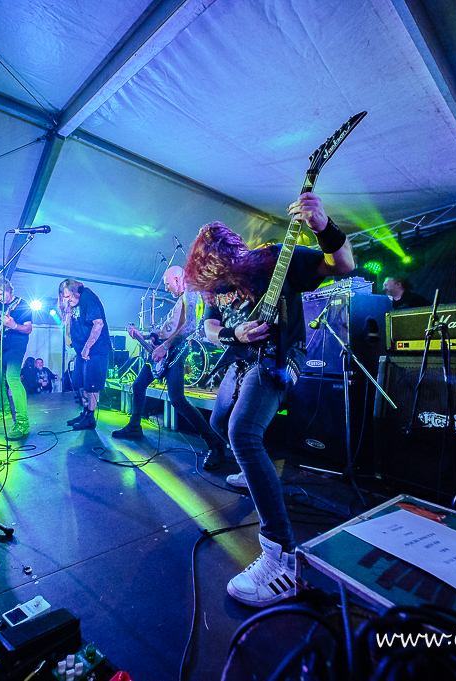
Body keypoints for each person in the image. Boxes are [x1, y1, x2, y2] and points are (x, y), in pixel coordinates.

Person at [184, 192, 355, 607]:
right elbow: (209, 327)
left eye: (217, 264)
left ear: (230, 252)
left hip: (278, 357)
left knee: (243, 432)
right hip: (240, 359)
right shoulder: (213, 287)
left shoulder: (272, 260)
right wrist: (234, 333)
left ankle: (281, 557)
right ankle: (254, 473)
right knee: (221, 422)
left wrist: (324, 227)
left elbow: (343, 265)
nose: (214, 277)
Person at [112, 266, 226, 467]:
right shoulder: (180, 300)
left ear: (178, 279)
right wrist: (146, 336)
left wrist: (164, 346)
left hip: (174, 353)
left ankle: (214, 443)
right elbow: (168, 330)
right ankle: (134, 426)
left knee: (178, 400)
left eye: (167, 284)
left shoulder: (190, 293)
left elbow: (190, 326)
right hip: (163, 350)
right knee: (138, 385)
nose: (166, 288)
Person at [0, 278, 33, 439]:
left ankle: (23, 422)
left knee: (12, 378)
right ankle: (5, 411)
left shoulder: (22, 304)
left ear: (9, 289)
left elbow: (28, 328)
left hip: (16, 345)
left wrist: (14, 326)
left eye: (1, 294)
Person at [59, 278, 110, 430]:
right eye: (64, 297)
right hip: (81, 350)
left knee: (91, 386)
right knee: (80, 383)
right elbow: (69, 320)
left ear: (76, 291)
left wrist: (87, 347)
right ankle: (85, 412)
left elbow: (98, 323)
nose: (67, 300)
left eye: (69, 296)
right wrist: (68, 336)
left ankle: (90, 417)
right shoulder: (72, 304)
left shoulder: (88, 297)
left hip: (95, 350)